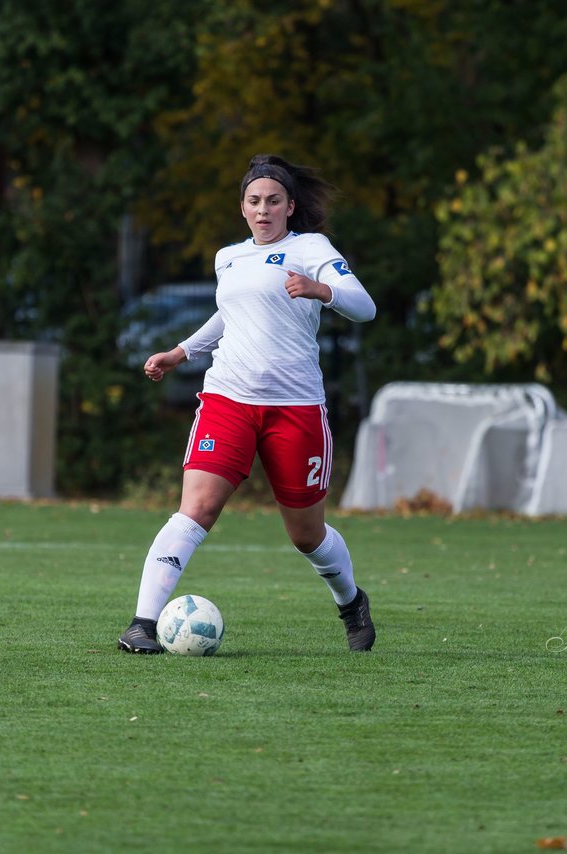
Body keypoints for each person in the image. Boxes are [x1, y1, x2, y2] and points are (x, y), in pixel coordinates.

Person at [118, 154, 377, 654]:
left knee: (306, 535)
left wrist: (322, 289)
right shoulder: (229, 258)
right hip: (227, 399)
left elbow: (364, 306)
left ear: (289, 206)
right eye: (255, 201)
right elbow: (227, 316)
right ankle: (141, 624)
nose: (264, 210)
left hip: (295, 407)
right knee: (196, 509)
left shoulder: (310, 248)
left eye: (273, 201)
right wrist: (180, 352)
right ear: (242, 208)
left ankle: (351, 602)